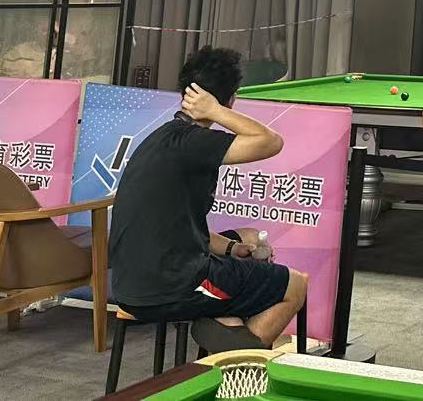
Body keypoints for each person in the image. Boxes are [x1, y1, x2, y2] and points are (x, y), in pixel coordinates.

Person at [110, 47, 306, 351]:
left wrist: (231, 248)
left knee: (247, 238)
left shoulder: (163, 138)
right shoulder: (194, 143)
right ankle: (241, 361)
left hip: (130, 283)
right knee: (296, 283)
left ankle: (229, 327)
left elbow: (184, 227)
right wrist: (216, 111)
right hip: (170, 286)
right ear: (231, 99)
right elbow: (271, 142)